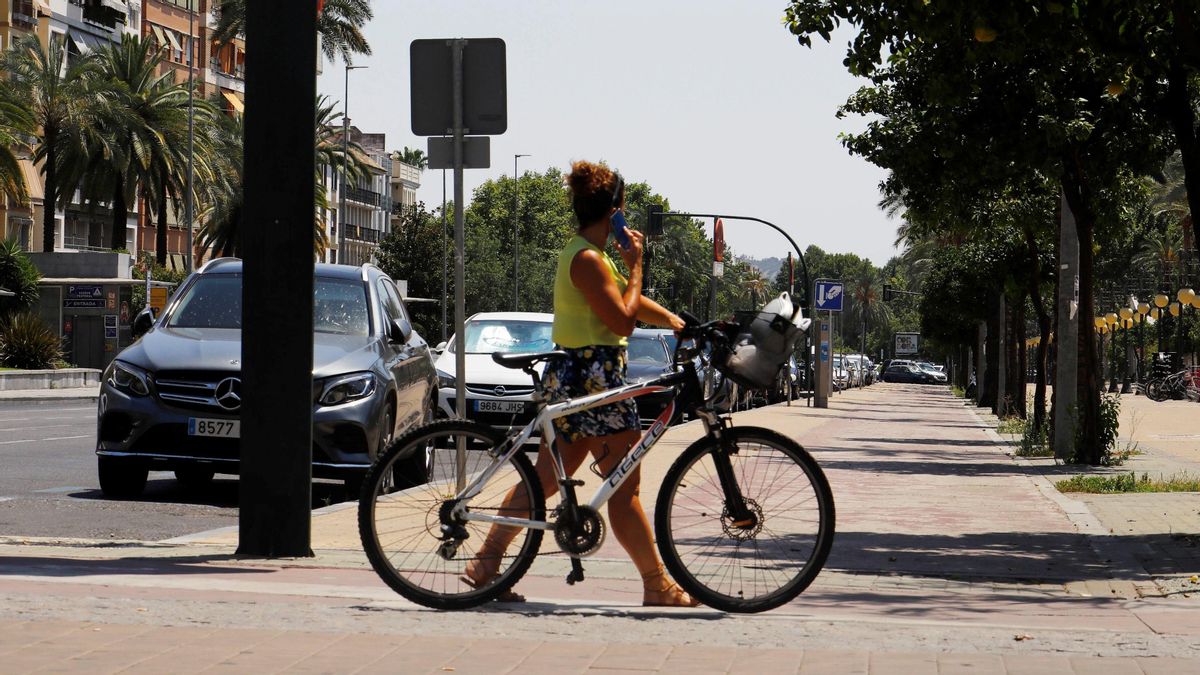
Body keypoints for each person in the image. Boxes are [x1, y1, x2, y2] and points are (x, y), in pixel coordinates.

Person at [463, 160, 698, 607]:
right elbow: (622, 321)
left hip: (578, 378)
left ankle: (485, 564)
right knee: (623, 489)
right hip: (593, 380)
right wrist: (637, 264)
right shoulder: (591, 260)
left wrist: (671, 319)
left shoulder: (587, 253)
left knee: (545, 480)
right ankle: (657, 585)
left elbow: (624, 303)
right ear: (615, 212)